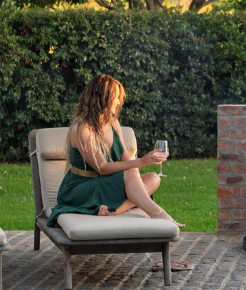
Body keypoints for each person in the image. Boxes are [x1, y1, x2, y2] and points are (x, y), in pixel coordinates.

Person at [49, 75, 183, 230]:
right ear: (102, 98)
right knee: (133, 175)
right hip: (81, 188)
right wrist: (142, 161)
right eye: (115, 97)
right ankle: (158, 213)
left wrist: (137, 179)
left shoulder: (113, 122)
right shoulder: (82, 129)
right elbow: (102, 168)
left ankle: (113, 212)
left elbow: (126, 159)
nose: (119, 102)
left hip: (106, 183)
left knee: (153, 178)